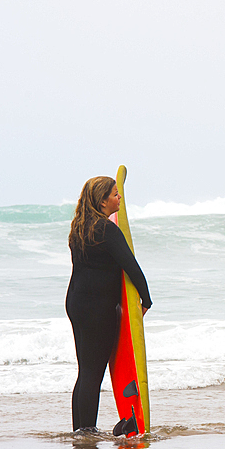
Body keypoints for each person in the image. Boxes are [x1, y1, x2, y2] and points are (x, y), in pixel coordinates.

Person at [66, 176, 152, 432]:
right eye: (115, 194)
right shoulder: (106, 230)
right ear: (103, 201)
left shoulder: (79, 228)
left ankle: (80, 430)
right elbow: (130, 265)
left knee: (85, 371)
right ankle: (87, 432)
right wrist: (146, 299)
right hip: (97, 308)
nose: (119, 198)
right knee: (93, 372)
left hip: (76, 302)